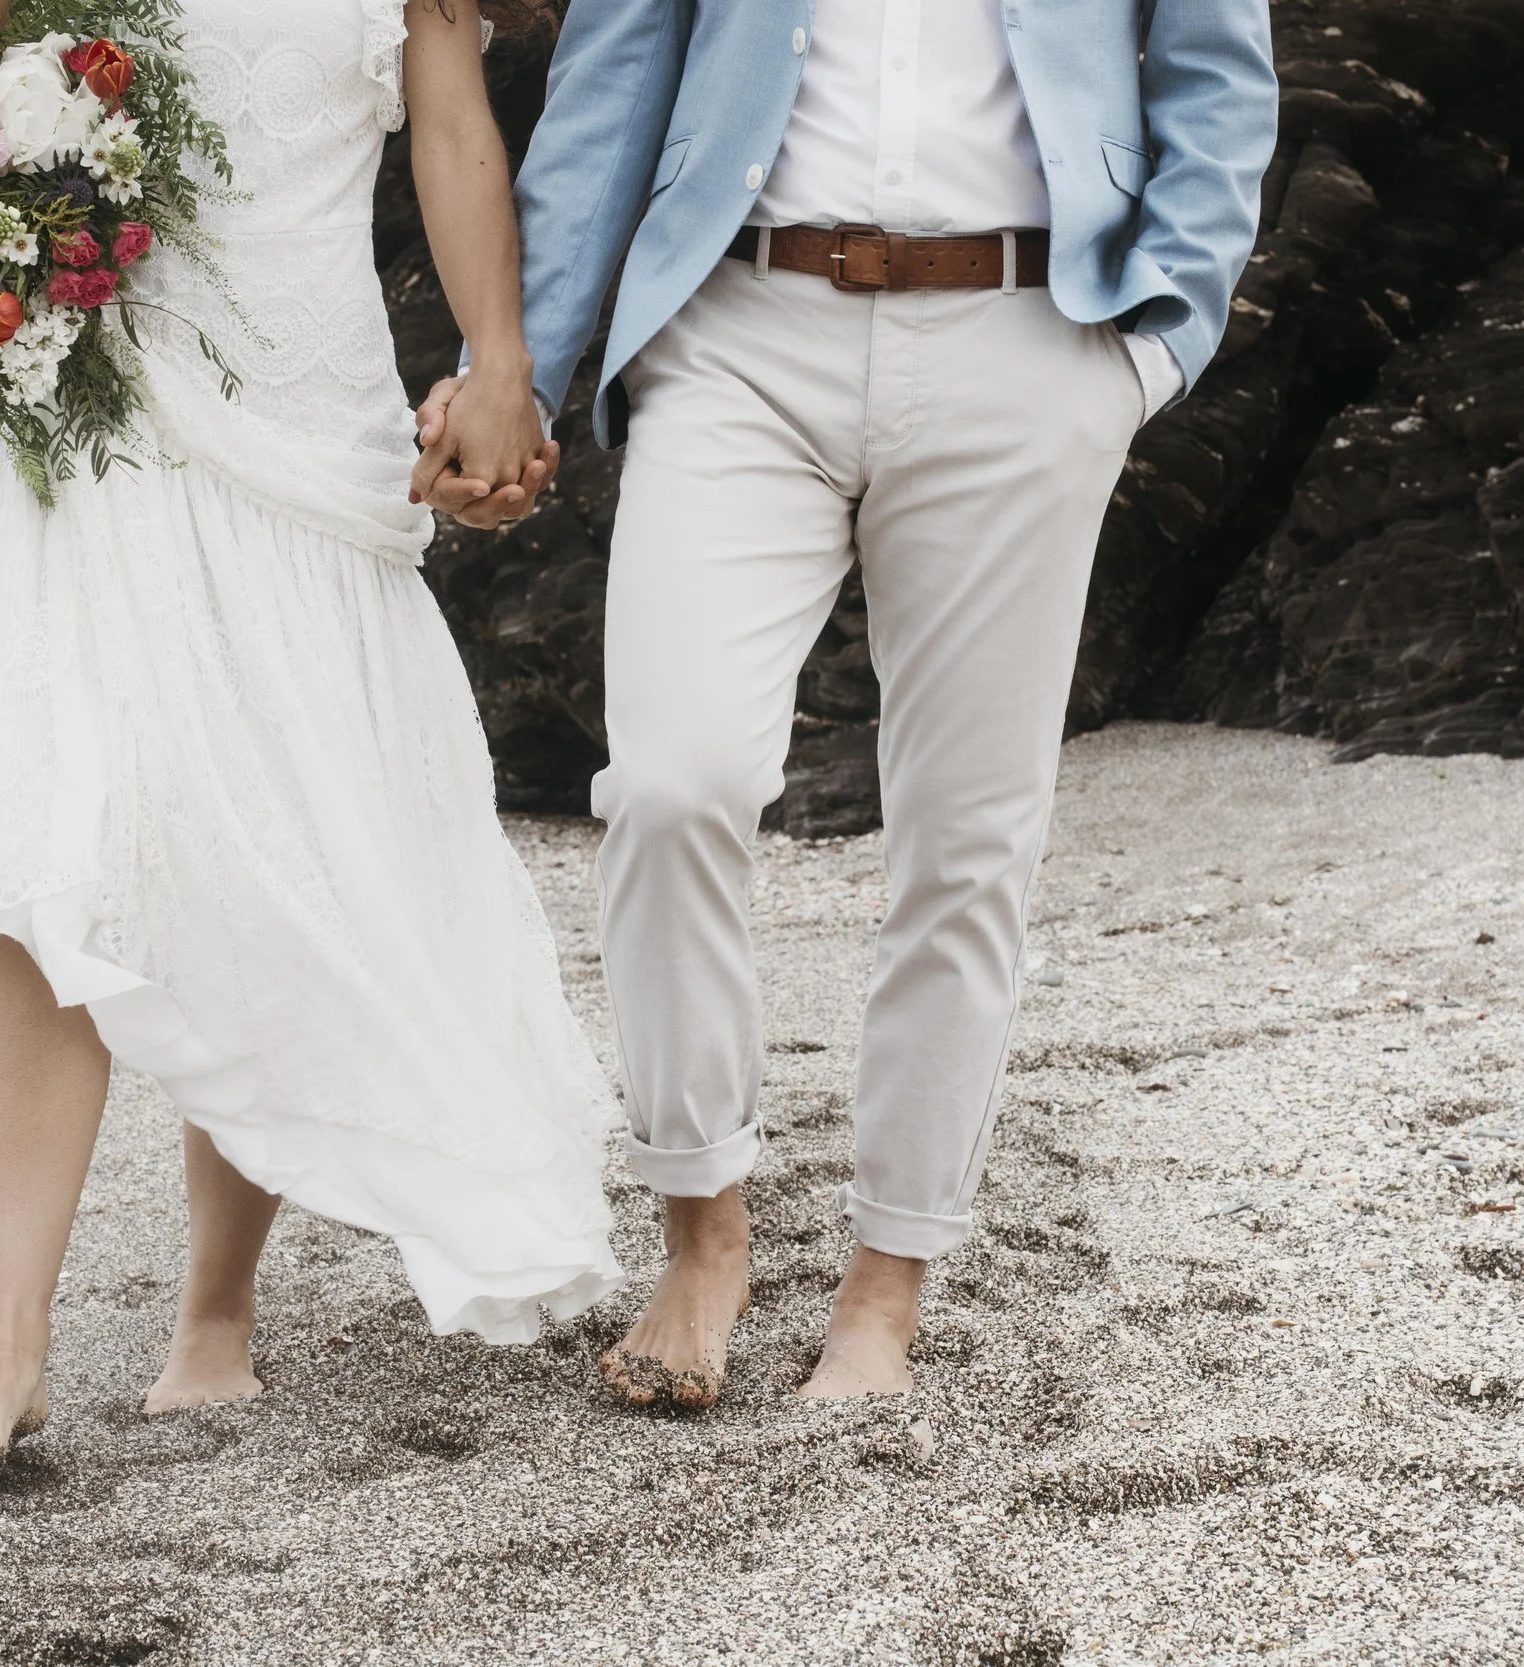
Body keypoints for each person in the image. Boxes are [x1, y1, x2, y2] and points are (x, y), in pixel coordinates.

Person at [417, 0, 1279, 1403]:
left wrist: (1152, 353)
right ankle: (703, 1233)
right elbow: (615, 70)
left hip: (1029, 336)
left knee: (966, 839)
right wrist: (524, 372)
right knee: (671, 782)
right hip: (740, 330)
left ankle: (886, 1290)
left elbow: (1219, 79)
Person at [0, 0, 618, 1473]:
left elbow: (459, 132)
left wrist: (497, 358)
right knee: (57, 837)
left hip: (304, 425)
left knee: (269, 830)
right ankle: (1, 1351)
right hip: (86, 411)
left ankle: (213, 1321)